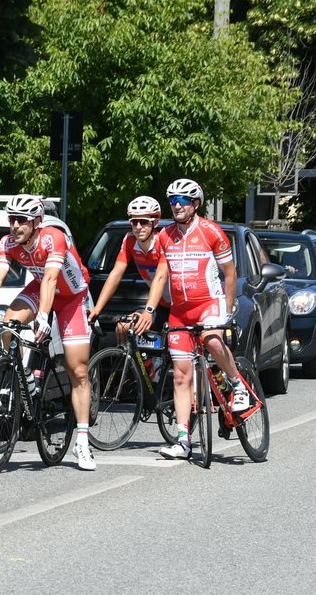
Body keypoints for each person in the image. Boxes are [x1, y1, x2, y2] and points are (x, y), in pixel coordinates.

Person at [0, 194, 96, 471]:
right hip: (41, 287)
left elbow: (53, 278)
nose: (15, 225)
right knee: (9, 324)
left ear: (37, 222)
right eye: (12, 219)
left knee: (77, 370)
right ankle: (23, 378)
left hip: (71, 297)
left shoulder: (52, 238)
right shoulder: (8, 243)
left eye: (21, 220)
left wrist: (44, 318)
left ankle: (82, 440)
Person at [148, 177, 248, 461]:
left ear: (195, 204)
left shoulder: (211, 232)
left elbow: (230, 274)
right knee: (181, 375)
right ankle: (183, 440)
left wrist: (228, 311)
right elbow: (161, 276)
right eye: (172, 200)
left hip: (209, 302)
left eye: (182, 200)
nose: (176, 205)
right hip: (181, 309)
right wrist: (149, 309)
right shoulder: (165, 236)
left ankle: (237, 384)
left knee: (212, 340)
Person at [89, 195, 170, 345]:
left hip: (179, 306)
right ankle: (139, 366)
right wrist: (97, 308)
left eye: (144, 221)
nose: (138, 226)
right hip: (162, 304)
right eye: (134, 221)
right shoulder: (129, 240)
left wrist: (148, 311)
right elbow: (116, 273)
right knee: (123, 326)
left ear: (155, 222)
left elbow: (160, 277)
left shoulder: (164, 241)